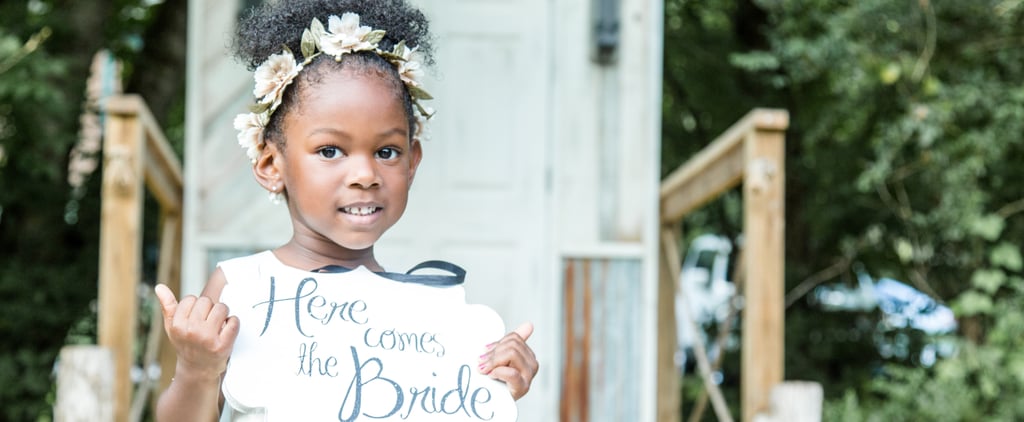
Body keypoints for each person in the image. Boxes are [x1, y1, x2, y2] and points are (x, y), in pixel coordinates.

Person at [153, 1, 539, 419]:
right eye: (330, 150)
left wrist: (490, 388)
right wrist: (197, 369)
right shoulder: (244, 289)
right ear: (271, 166)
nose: (364, 174)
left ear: (412, 163)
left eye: (386, 151)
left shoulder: (422, 316)